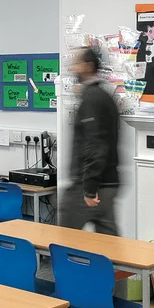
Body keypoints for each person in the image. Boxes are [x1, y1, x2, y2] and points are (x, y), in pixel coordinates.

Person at [60, 45, 122, 235]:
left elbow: (96, 145)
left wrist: (89, 188)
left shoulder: (93, 99)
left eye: (76, 64)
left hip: (90, 186)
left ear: (88, 66)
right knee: (109, 244)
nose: (72, 68)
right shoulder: (103, 96)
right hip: (106, 183)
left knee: (63, 241)